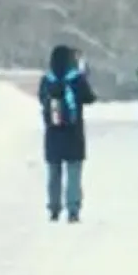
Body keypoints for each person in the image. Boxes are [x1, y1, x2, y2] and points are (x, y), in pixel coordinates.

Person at [38, 45, 97, 223]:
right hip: (73, 132)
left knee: (54, 172)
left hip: (53, 132)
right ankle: (73, 209)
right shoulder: (76, 79)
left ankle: (54, 208)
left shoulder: (47, 80)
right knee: (73, 171)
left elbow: (42, 99)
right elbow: (90, 98)